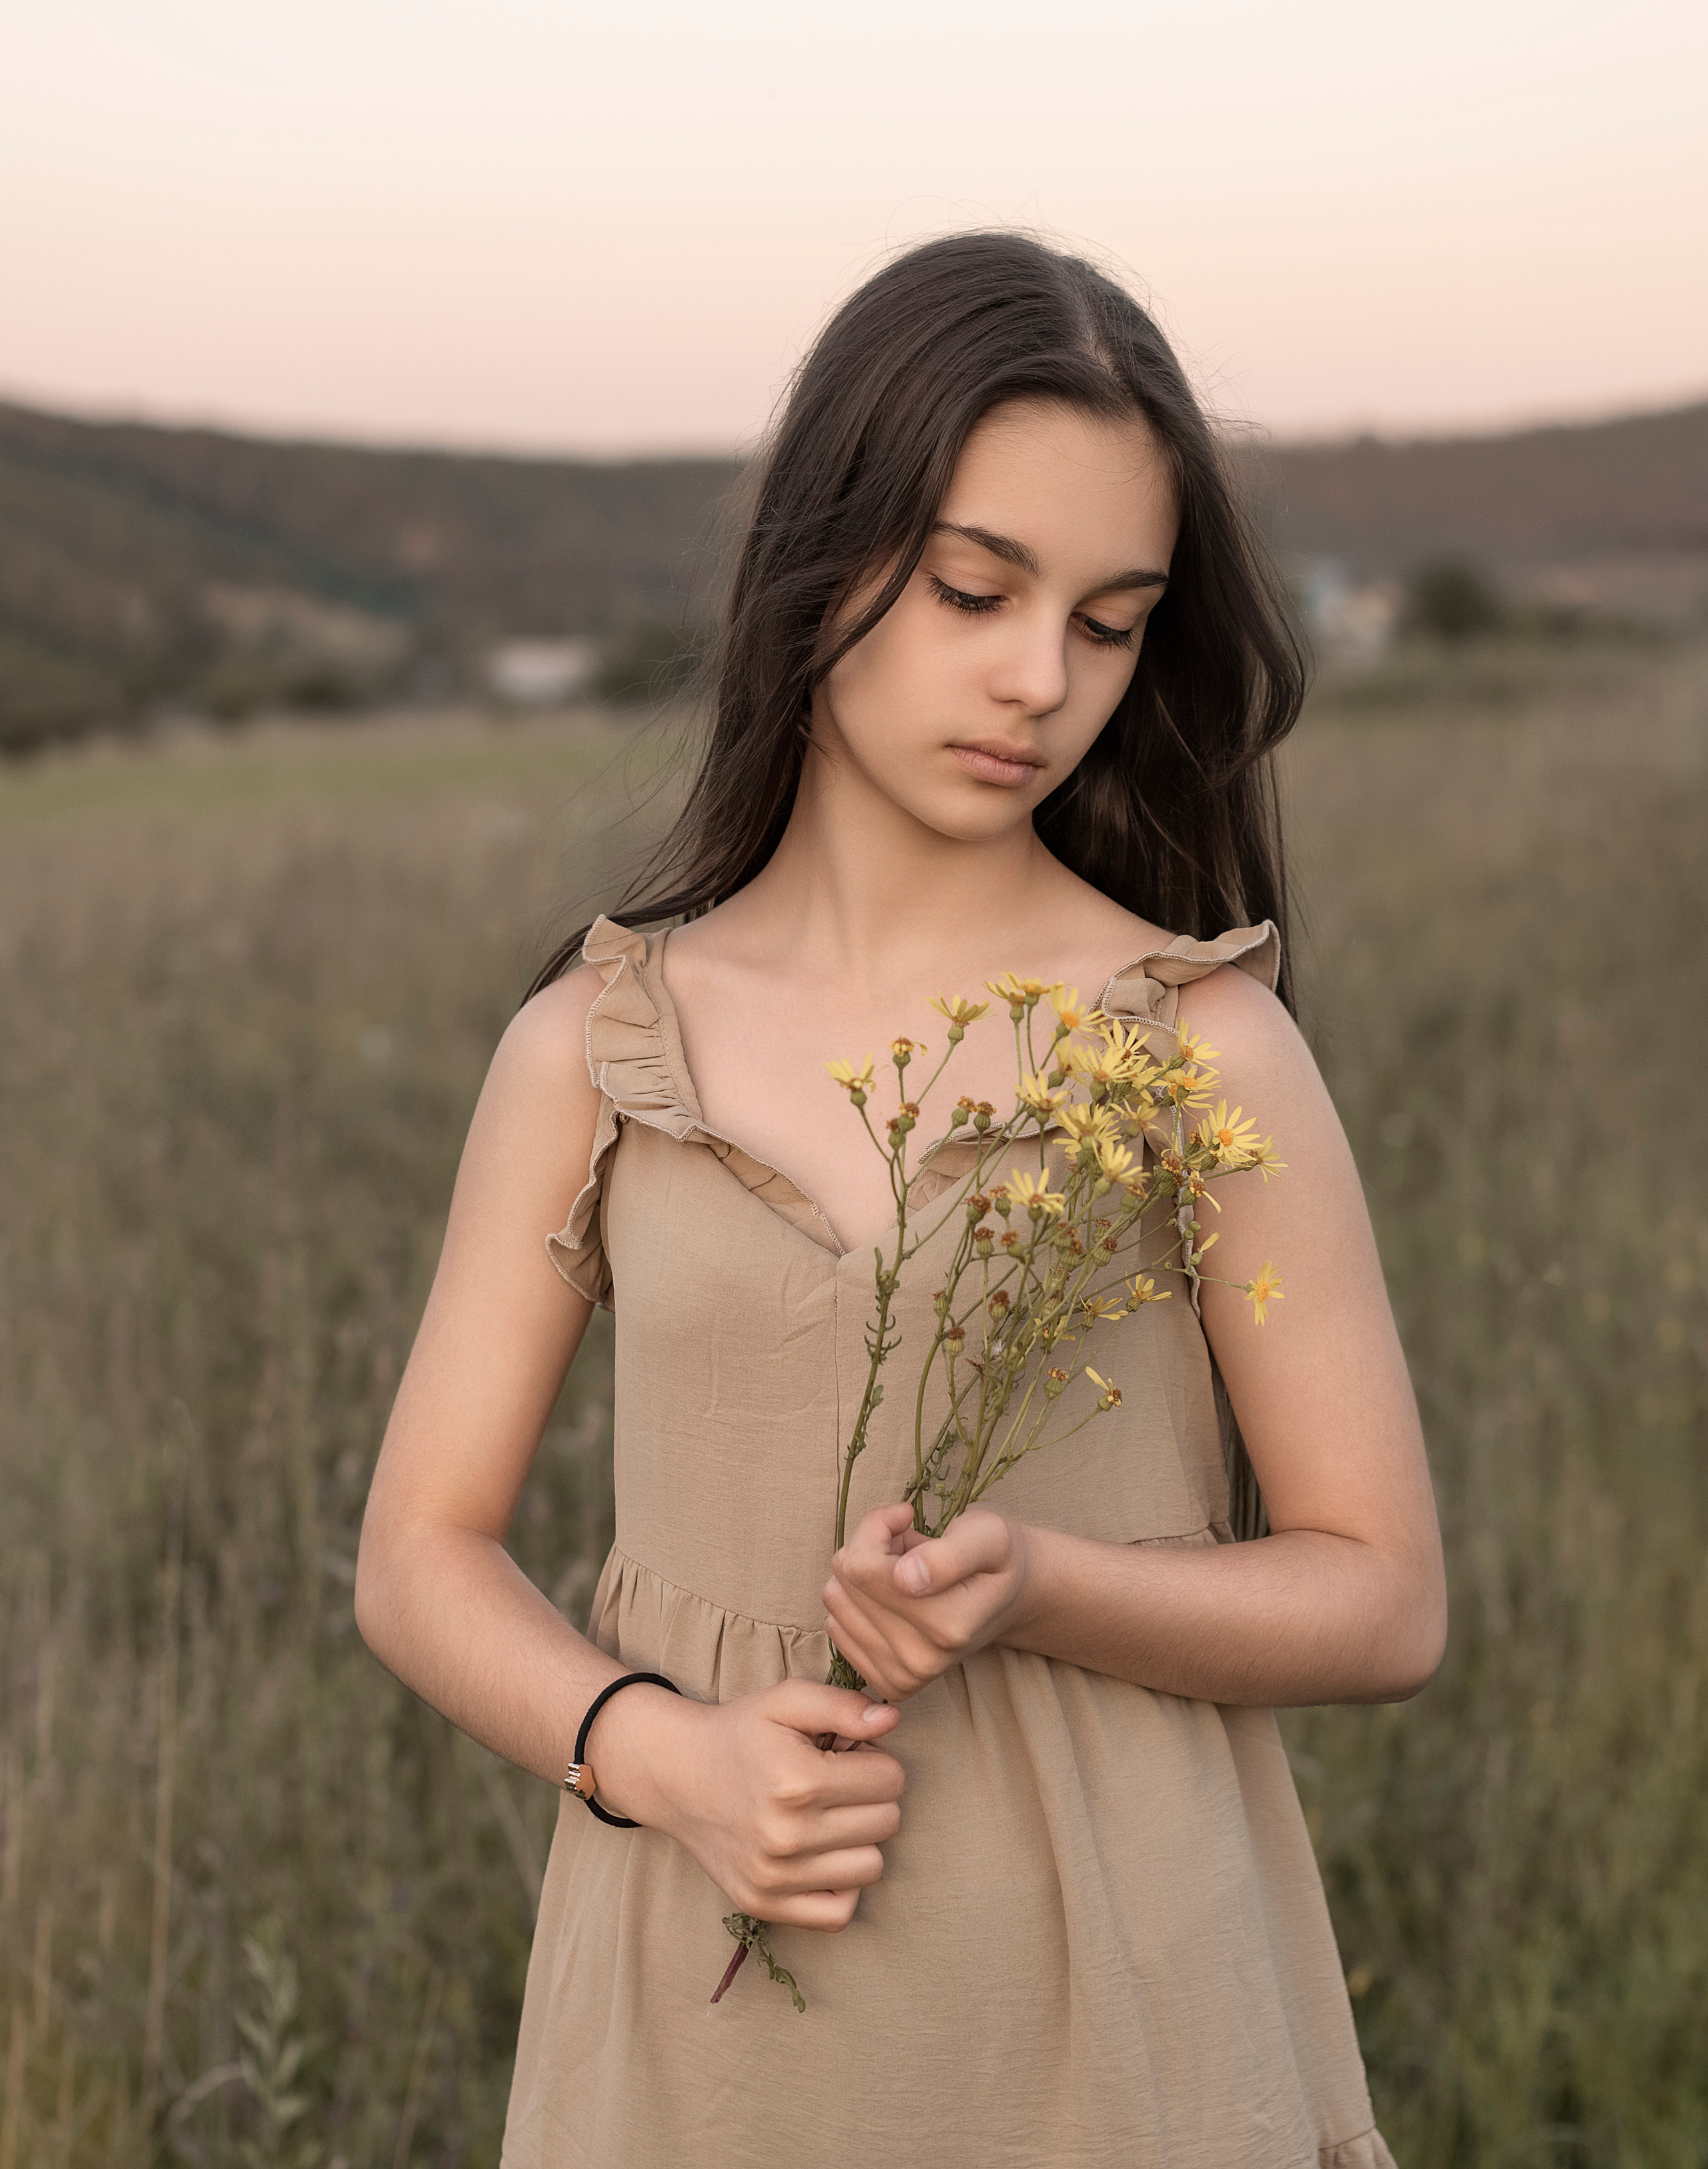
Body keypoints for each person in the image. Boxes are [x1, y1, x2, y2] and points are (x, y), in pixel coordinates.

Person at [356, 231, 1444, 2168]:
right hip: (698, 2049)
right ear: (821, 558)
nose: (1039, 679)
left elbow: (1384, 1596)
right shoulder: (593, 1051)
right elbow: (419, 1551)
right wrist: (660, 1753)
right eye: (973, 588)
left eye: (1111, 623)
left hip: (1132, 2030)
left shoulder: (1198, 1052)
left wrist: (1044, 1583)